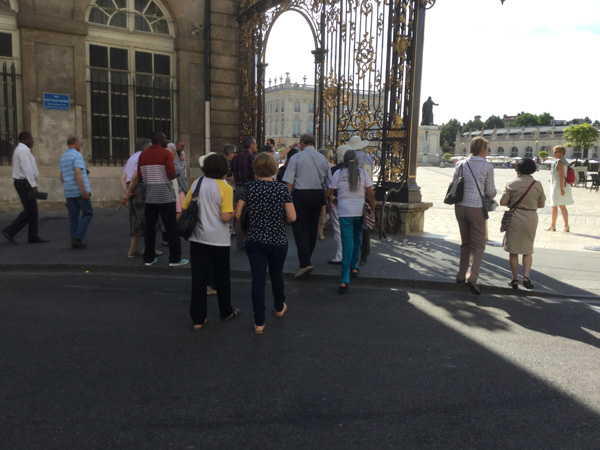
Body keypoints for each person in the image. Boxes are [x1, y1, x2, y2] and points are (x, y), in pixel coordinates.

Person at [235, 153, 296, 334]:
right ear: (274, 169)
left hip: (255, 239)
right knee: (277, 274)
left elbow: (238, 214)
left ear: (256, 169)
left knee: (258, 280)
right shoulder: (281, 189)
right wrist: (281, 220)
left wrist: (245, 232)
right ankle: (279, 306)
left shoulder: (249, 187)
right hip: (277, 239)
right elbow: (292, 217)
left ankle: (259, 322)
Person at [183, 153, 239, 331]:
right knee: (222, 277)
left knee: (198, 279)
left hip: (198, 237)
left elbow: (185, 206)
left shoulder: (197, 183)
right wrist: (235, 211)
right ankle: (226, 311)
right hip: (219, 239)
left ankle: (198, 319)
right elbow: (225, 217)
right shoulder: (225, 188)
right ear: (223, 169)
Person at [325, 150, 375, 294]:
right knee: (357, 238)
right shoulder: (362, 173)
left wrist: (330, 198)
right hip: (359, 210)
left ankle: (344, 279)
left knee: (347, 243)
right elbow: (371, 194)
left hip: (344, 211)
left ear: (344, 161)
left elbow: (328, 193)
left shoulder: (338, 173)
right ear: (356, 160)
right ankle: (354, 266)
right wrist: (372, 210)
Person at [283, 133, 332, 279]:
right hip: (317, 195)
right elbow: (330, 183)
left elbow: (288, 182)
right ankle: (306, 258)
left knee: (299, 228)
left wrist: (287, 201)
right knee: (312, 228)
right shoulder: (323, 159)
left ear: (302, 143)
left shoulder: (296, 157)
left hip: (301, 195)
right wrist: (329, 199)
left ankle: (305, 262)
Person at [136, 131, 188, 267]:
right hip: (166, 196)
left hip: (150, 197)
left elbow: (140, 176)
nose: (166, 141)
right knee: (171, 228)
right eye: (164, 139)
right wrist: (176, 175)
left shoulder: (143, 155)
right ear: (160, 140)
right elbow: (170, 173)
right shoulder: (165, 154)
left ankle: (149, 258)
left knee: (150, 229)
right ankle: (175, 258)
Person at [452, 136, 496, 296]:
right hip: (476, 207)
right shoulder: (487, 166)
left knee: (465, 243)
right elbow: (490, 192)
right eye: (487, 149)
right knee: (478, 245)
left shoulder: (461, 163)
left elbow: (454, 184)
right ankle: (472, 277)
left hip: (460, 207)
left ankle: (460, 275)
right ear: (483, 149)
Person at [500, 158, 546, 290]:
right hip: (531, 217)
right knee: (527, 249)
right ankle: (526, 277)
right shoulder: (537, 184)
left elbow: (503, 202)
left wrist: (512, 203)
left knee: (513, 251)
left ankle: (514, 279)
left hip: (515, 217)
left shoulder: (511, 183)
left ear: (517, 169)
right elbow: (541, 204)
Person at [2, 132, 48, 245]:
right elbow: (26, 169)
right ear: (24, 139)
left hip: (24, 183)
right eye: (30, 139)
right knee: (30, 210)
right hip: (24, 183)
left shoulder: (22, 150)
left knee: (33, 211)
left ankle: (33, 236)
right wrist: (33, 186)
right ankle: (10, 231)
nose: (32, 141)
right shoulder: (23, 151)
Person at [120, 138, 163, 258]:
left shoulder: (131, 158)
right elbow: (136, 176)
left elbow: (123, 178)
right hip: (142, 189)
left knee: (135, 219)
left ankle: (133, 249)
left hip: (132, 189)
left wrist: (127, 191)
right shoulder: (143, 156)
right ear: (146, 147)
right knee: (150, 218)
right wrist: (129, 191)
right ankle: (149, 247)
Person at [59, 134, 94, 249]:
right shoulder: (77, 155)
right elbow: (78, 172)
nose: (81, 146)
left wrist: (66, 187)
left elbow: (61, 176)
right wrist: (84, 190)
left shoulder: (63, 157)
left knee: (73, 217)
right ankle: (78, 237)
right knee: (88, 213)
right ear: (76, 143)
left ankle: (74, 239)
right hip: (78, 190)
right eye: (81, 144)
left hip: (69, 191)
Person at [230, 135, 257, 250]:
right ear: (251, 145)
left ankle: (240, 243)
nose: (256, 146)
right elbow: (255, 174)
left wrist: (236, 183)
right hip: (250, 188)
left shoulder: (235, 158)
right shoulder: (252, 157)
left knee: (238, 216)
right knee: (251, 215)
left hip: (238, 188)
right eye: (255, 144)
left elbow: (229, 174)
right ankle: (250, 241)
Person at [326, 144, 350, 264]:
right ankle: (350, 254)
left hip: (337, 202)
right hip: (353, 204)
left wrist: (329, 200)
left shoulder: (334, 170)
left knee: (338, 229)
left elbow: (330, 188)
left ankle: (340, 255)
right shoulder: (357, 170)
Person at [546, 145, 573, 232]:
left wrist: (561, 189)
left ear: (561, 153)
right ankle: (566, 226)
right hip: (562, 186)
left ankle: (553, 225)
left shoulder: (559, 162)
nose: (554, 153)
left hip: (558, 186)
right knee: (562, 206)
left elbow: (562, 176)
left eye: (556, 152)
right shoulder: (565, 162)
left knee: (554, 206)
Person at [317, 148, 333, 240]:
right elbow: (329, 181)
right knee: (322, 212)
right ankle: (320, 233)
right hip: (322, 190)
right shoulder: (327, 164)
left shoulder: (314, 163)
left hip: (312, 189)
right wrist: (330, 197)